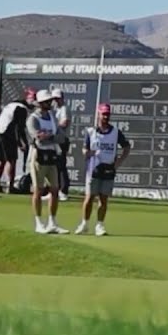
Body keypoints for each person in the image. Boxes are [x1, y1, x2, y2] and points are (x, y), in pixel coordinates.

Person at [76, 103, 131, 236]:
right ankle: (85, 223)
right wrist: (89, 153)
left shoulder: (116, 132)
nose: (106, 116)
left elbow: (126, 147)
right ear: (98, 115)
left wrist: (118, 162)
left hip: (108, 169)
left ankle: (100, 225)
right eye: (103, 114)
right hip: (93, 169)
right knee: (89, 197)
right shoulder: (90, 132)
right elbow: (84, 149)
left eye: (107, 114)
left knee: (103, 198)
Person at [27, 90, 66, 233]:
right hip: (38, 155)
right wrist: (50, 136)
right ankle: (38, 223)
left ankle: (52, 223)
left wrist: (48, 135)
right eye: (47, 101)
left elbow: (61, 137)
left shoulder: (52, 117)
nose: (50, 103)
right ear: (41, 103)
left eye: (50, 101)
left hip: (52, 155)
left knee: (55, 190)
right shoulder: (33, 118)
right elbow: (38, 136)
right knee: (38, 190)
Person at [0, 95, 30, 193]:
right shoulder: (22, 109)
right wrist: (21, 143)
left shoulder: (10, 105)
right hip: (6, 133)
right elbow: (18, 127)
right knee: (11, 160)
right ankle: (10, 186)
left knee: (1, 160)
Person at [50, 88, 71, 201]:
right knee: (54, 166)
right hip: (55, 141)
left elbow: (65, 123)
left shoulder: (64, 109)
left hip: (62, 140)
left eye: (58, 99)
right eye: (54, 99)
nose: (56, 101)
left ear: (62, 98)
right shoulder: (54, 110)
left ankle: (63, 191)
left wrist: (53, 126)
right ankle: (54, 190)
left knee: (61, 165)